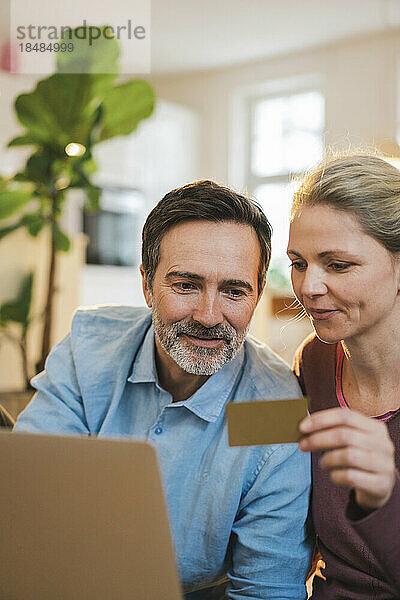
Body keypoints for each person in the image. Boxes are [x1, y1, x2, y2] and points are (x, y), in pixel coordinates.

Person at [15, 180, 312, 599]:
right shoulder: (91, 347)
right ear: (146, 283)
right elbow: (29, 500)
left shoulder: (274, 411)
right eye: (186, 285)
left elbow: (266, 590)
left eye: (234, 290)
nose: (210, 316)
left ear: (258, 293)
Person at [288, 154, 400, 599]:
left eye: (338, 265)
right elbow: (249, 434)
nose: (309, 287)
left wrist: (383, 498)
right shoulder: (314, 363)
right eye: (299, 263)